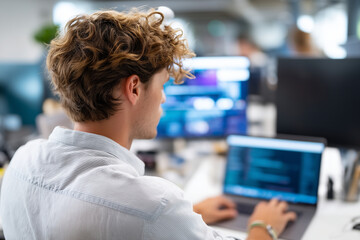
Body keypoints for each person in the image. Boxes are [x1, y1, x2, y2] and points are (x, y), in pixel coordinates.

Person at [0, 9, 296, 240]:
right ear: (134, 89)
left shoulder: (22, 162)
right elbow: (135, 211)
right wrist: (263, 226)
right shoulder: (156, 205)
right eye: (163, 85)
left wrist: (187, 216)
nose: (164, 98)